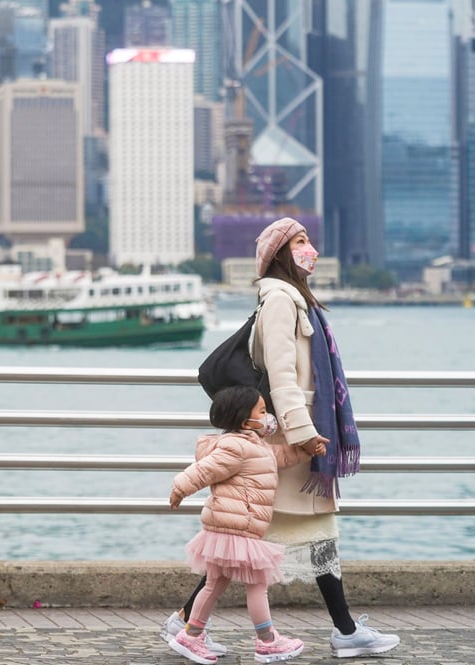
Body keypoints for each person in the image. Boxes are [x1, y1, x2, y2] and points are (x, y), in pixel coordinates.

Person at [161, 217, 401, 659]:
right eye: (300, 241)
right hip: (291, 438)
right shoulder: (279, 300)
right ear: (280, 255)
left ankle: (343, 630)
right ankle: (193, 626)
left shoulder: (295, 300)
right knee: (251, 536)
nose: (310, 248)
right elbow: (282, 374)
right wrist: (306, 434)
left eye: (309, 239)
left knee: (260, 536)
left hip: (295, 436)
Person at [167, 384, 322, 665]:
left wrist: (307, 451)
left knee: (214, 584)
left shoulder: (254, 445)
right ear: (244, 420)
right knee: (257, 584)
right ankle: (268, 642)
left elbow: (280, 457)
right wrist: (180, 487)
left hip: (228, 527)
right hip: (238, 528)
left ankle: (191, 635)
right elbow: (204, 470)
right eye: (262, 411)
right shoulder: (236, 447)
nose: (268, 417)